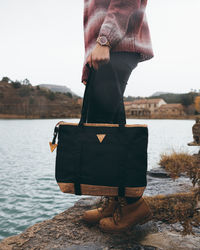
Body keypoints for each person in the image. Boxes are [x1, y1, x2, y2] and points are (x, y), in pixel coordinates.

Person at [81, 0, 154, 232]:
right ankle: (116, 199)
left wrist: (105, 40)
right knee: (110, 127)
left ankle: (133, 205)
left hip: (115, 46)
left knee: (104, 129)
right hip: (110, 48)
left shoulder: (109, 43)